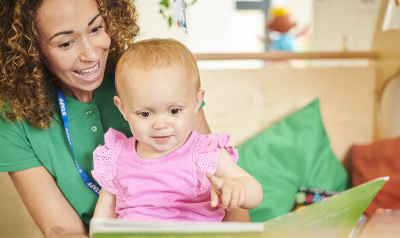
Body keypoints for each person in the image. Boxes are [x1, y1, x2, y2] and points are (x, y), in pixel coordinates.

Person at [0, 0, 251, 237]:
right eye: (66, 43)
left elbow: (225, 191)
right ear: (30, 49)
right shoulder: (14, 116)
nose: (90, 54)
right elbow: (63, 229)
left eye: (96, 28)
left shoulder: (158, 78)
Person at [91, 39, 263, 222]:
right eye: (145, 114)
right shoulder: (116, 158)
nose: (160, 124)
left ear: (196, 103)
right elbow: (102, 218)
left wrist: (238, 188)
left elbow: (255, 193)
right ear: (122, 108)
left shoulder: (206, 154)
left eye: (174, 111)